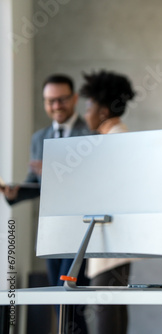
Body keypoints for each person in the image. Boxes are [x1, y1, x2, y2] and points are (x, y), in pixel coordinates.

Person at [0, 74, 91, 333]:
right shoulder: (40, 137)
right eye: (50, 101)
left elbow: (92, 183)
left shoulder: (90, 133)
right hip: (51, 230)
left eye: (61, 99)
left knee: (72, 300)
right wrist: (14, 192)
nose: (56, 106)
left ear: (74, 99)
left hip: (82, 230)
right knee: (57, 301)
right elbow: (38, 184)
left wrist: (52, 171)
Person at [79, 69, 135, 334]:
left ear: (102, 111)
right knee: (112, 312)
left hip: (111, 245)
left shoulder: (116, 140)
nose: (86, 113)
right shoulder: (110, 138)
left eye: (89, 106)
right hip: (107, 244)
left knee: (107, 314)